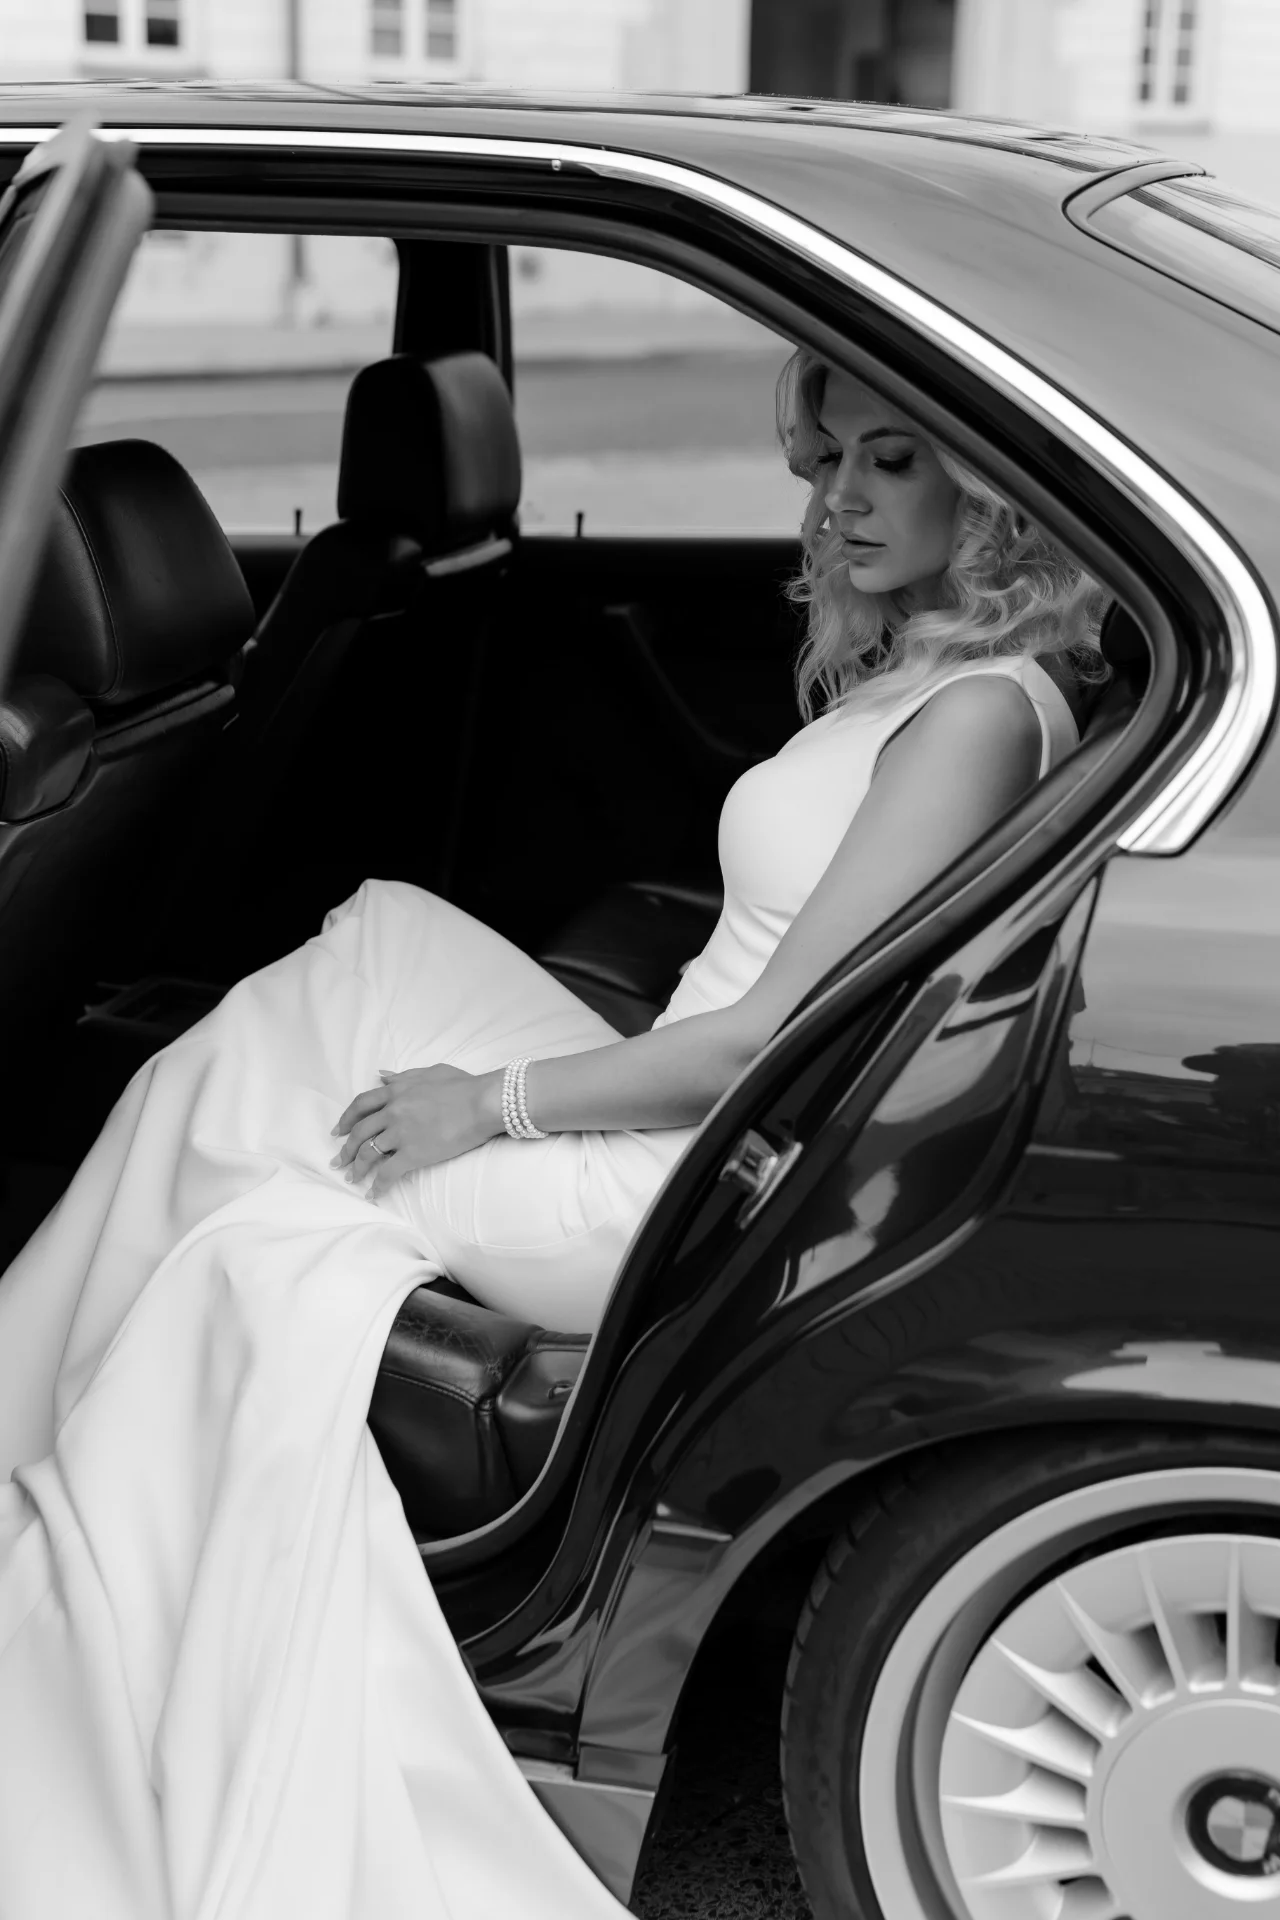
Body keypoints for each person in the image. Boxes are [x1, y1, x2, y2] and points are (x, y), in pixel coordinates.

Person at [0, 349, 1106, 1920]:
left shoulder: (975, 720)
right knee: (367, 947)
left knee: (262, 1145)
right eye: (831, 458)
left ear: (989, 497)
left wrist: (484, 1106)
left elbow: (761, 1045)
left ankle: (42, 1417)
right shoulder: (948, 675)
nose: (840, 497)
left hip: (664, 1187)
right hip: (690, 1114)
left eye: (895, 462)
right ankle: (48, 1397)